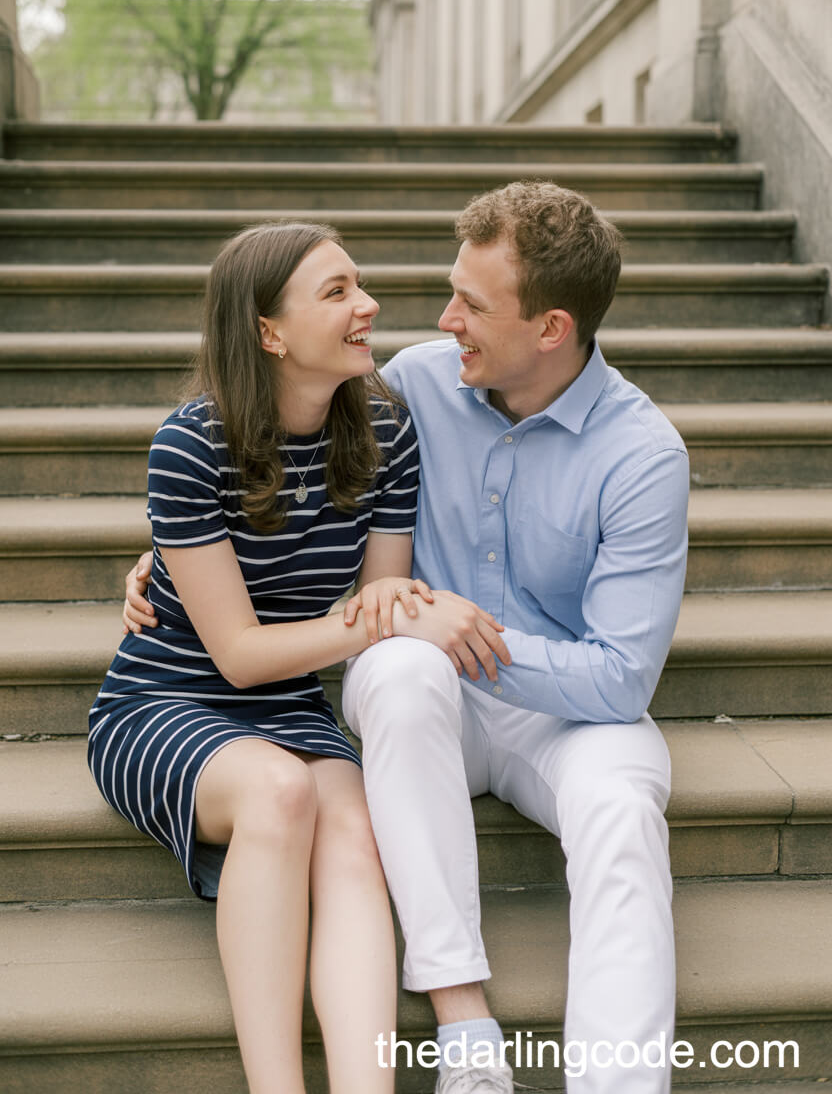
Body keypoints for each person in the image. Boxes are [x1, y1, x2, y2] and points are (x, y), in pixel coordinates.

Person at [125, 183, 690, 1094]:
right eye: (450, 292)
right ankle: (466, 1035)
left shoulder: (643, 455)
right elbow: (247, 452)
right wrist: (163, 553)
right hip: (426, 698)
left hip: (572, 712)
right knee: (394, 668)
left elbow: (621, 680)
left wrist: (470, 634)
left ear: (550, 328)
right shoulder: (416, 384)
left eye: (471, 304)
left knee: (625, 816)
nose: (442, 318)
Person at [92, 220, 508, 1094]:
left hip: (289, 707)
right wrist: (394, 623)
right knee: (280, 795)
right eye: (337, 292)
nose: (369, 306)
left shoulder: (387, 428)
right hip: (164, 697)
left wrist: (392, 619)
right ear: (268, 332)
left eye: (359, 284)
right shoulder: (190, 444)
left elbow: (377, 603)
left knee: (357, 830)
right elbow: (241, 654)